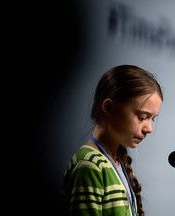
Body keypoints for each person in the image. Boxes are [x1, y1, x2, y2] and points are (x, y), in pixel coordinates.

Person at [60, 65, 163, 216]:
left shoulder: (116, 162)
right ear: (109, 108)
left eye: (152, 119)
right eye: (142, 117)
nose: (149, 128)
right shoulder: (90, 164)